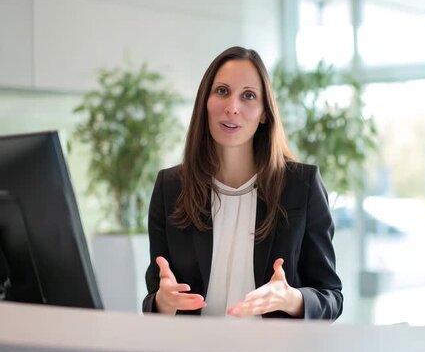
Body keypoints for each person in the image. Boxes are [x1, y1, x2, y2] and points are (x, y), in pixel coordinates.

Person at [142, 46, 343, 320]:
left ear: (264, 113)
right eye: (222, 91)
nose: (232, 108)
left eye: (248, 96)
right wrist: (162, 303)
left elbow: (331, 296)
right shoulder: (170, 187)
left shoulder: (302, 186)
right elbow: (156, 295)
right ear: (205, 103)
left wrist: (292, 298)